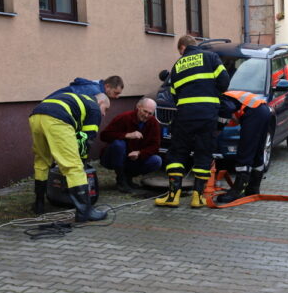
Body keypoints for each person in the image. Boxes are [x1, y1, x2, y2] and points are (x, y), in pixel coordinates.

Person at [155, 35, 230, 208]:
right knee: (203, 152)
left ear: (182, 48)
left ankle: (173, 196)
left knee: (177, 152)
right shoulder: (210, 57)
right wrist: (211, 93)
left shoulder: (177, 65)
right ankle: (198, 197)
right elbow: (224, 82)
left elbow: (173, 95)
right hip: (208, 113)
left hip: (185, 115)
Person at [30, 92, 110, 222]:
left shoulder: (78, 99)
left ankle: (39, 204)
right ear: (100, 102)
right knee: (74, 166)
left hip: (36, 115)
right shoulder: (94, 108)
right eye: (106, 109)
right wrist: (82, 160)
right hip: (57, 118)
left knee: (42, 160)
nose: (104, 114)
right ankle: (85, 212)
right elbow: (87, 139)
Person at [216, 91, 271, 203]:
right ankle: (253, 189)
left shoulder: (223, 99)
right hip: (264, 110)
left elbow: (226, 111)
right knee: (257, 151)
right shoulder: (231, 96)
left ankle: (238, 190)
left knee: (245, 150)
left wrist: (218, 127)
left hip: (254, 112)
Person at [100, 97, 162, 193]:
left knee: (157, 161)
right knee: (119, 144)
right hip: (113, 157)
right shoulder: (124, 117)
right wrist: (127, 135)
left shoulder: (153, 123)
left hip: (134, 159)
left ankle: (128, 177)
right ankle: (121, 179)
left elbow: (155, 146)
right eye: (145, 111)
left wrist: (139, 153)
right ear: (138, 107)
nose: (146, 115)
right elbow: (104, 135)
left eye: (150, 113)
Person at [46, 75, 124, 99]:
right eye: (116, 93)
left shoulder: (93, 88)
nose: (117, 97)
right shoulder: (94, 91)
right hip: (51, 112)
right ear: (107, 86)